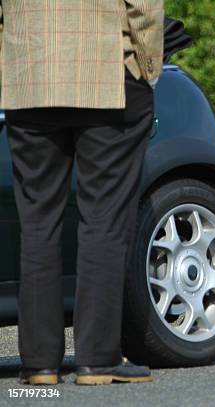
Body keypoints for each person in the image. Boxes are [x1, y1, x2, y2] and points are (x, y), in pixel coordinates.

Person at [0, 0, 164, 385]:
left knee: (37, 223)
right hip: (106, 72)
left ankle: (39, 365)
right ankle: (98, 359)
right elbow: (143, 7)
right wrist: (149, 69)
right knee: (104, 220)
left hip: (29, 78)